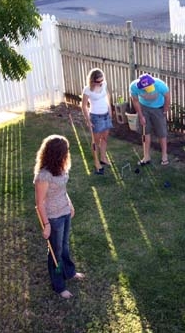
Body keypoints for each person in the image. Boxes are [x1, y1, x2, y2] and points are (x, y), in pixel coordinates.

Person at [34, 135, 84, 299]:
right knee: (55, 251)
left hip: (64, 212)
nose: (68, 153)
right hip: (53, 217)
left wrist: (69, 204)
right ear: (56, 153)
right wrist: (46, 224)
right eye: (65, 151)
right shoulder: (44, 176)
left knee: (65, 246)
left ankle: (69, 272)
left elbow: (63, 190)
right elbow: (40, 203)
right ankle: (58, 285)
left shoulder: (61, 168)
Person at [129, 73, 171, 166]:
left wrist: (164, 111)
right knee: (145, 132)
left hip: (158, 108)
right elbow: (135, 101)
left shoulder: (160, 85)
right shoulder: (134, 87)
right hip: (143, 107)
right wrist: (141, 116)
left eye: (149, 88)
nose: (147, 90)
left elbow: (167, 97)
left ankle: (164, 155)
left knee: (161, 132)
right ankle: (146, 156)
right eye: (145, 89)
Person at [81, 68, 113, 175]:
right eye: (98, 81)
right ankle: (96, 162)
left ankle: (103, 158)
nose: (100, 83)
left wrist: (110, 110)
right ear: (92, 81)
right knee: (96, 140)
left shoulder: (104, 85)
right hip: (96, 117)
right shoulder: (87, 90)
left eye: (102, 80)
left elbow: (108, 96)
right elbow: (84, 106)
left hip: (105, 115)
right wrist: (88, 120)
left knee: (105, 138)